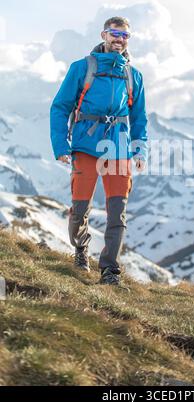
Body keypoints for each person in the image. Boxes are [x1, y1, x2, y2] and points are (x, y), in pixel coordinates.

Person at [50, 16, 148, 285]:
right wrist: (61, 145)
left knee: (118, 211)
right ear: (104, 35)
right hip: (85, 145)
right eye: (115, 34)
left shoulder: (133, 75)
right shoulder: (82, 68)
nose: (119, 39)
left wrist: (140, 151)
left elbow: (139, 118)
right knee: (80, 207)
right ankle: (81, 250)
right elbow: (60, 107)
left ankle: (110, 271)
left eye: (125, 35)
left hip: (119, 149)